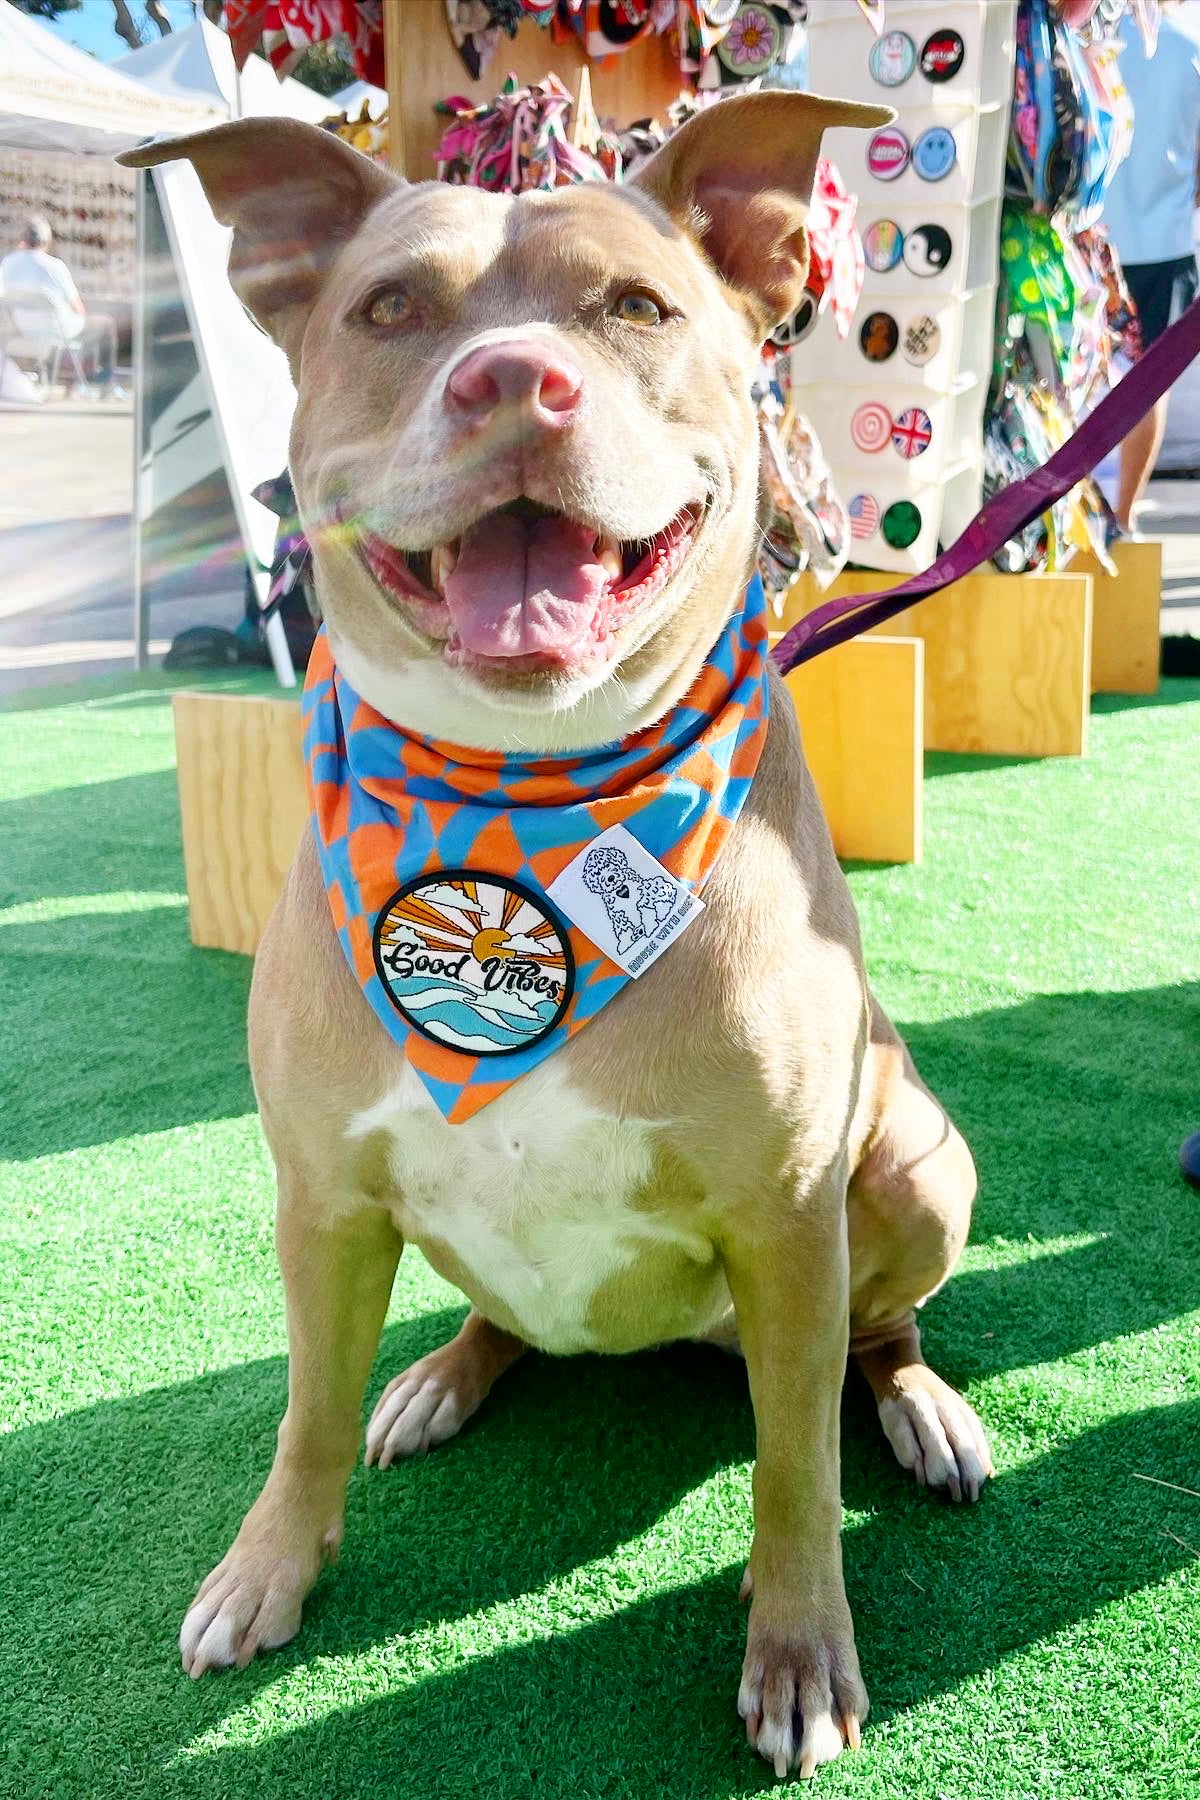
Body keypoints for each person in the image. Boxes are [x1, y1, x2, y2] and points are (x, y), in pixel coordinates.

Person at [1102, 0, 1200, 532]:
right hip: (1163, 243)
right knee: (1148, 386)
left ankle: (1075, 511)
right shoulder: (1192, 48)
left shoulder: (1089, 35)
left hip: (1095, 240)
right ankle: (1124, 514)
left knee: (1063, 378)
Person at [0, 215, 116, 394]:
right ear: (47, 240)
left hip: (22, 330)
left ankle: (74, 379)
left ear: (22, 239)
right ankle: (100, 382)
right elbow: (77, 307)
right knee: (104, 324)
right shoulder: (54, 266)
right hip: (56, 330)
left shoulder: (7, 263)